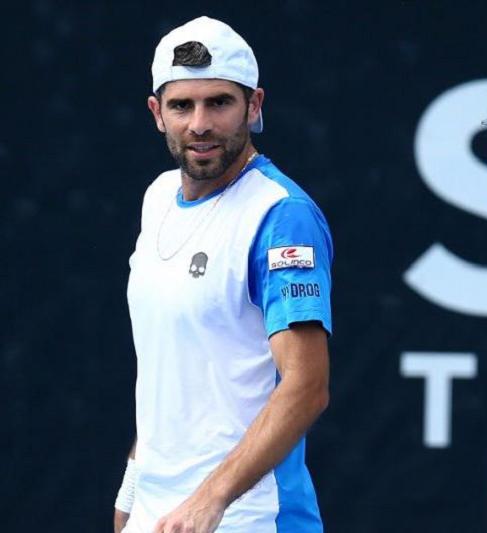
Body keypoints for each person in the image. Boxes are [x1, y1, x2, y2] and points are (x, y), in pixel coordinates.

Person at [113, 16, 333, 533]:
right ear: (157, 113)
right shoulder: (158, 198)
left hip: (250, 519)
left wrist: (209, 502)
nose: (200, 124)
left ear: (254, 106)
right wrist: (132, 494)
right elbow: (170, 370)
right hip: (158, 516)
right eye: (181, 106)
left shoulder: (281, 215)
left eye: (219, 103)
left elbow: (306, 386)